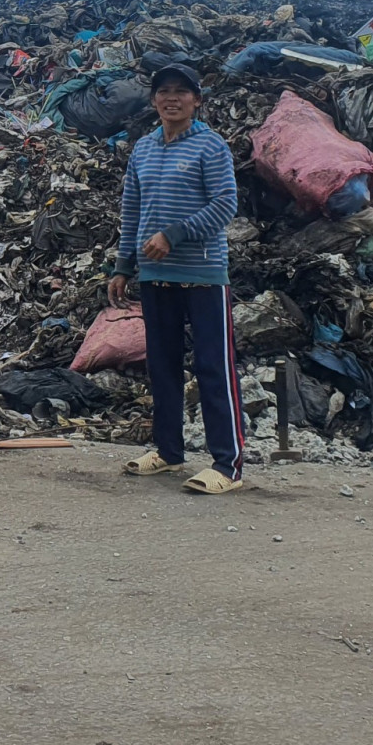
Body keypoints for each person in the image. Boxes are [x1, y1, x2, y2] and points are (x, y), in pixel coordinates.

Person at [105, 62, 247, 494]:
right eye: (164, 91)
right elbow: (132, 211)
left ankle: (228, 465)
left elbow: (226, 204)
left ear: (196, 101)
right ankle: (168, 452)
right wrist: (124, 264)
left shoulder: (211, 146)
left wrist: (174, 234)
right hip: (154, 275)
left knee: (212, 366)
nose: (172, 98)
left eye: (181, 92)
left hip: (202, 272)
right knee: (162, 365)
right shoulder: (144, 149)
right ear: (153, 101)